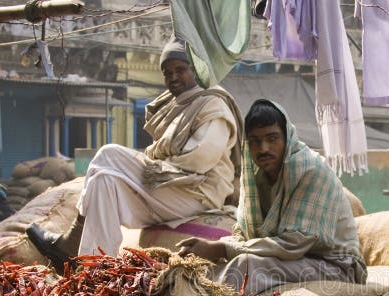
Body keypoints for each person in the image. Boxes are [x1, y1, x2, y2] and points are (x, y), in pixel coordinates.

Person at [26, 36, 242, 269]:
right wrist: (157, 159)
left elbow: (198, 160)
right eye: (167, 73)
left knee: (108, 154)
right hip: (172, 191)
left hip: (198, 194)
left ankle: (71, 240)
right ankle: (96, 267)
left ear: (199, 69)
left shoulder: (213, 104)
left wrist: (154, 158)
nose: (173, 77)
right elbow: (168, 156)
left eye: (181, 69)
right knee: (104, 180)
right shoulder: (176, 105)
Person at [178, 99, 366, 295]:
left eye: (272, 138)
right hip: (291, 261)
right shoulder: (257, 179)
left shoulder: (311, 170)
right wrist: (215, 251)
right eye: (255, 141)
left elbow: (295, 242)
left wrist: (222, 248)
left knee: (247, 266)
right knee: (212, 268)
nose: (263, 149)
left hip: (337, 268)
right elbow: (243, 234)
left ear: (287, 138)